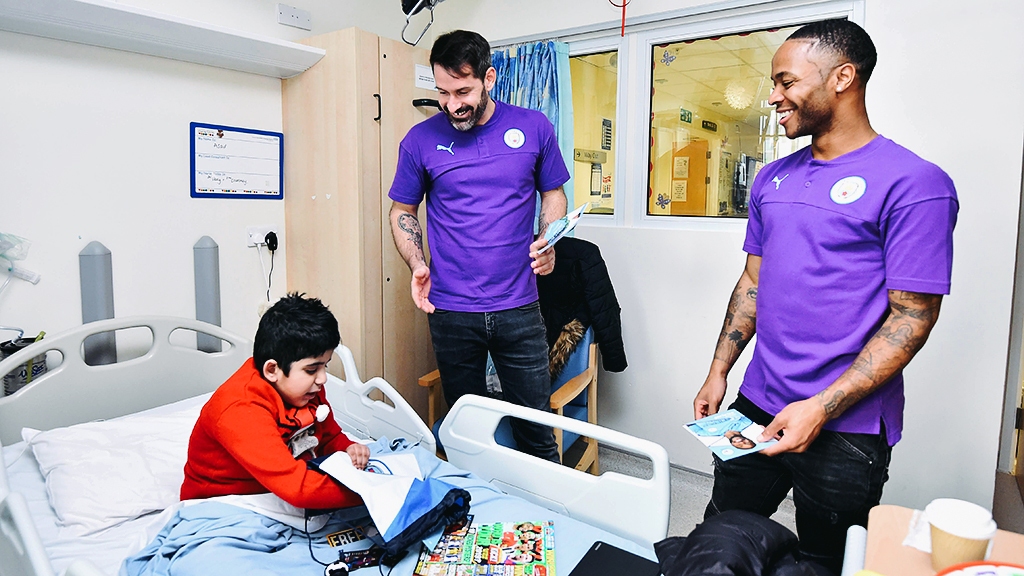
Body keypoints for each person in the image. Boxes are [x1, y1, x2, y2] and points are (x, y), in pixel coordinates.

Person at [692, 20, 958, 574]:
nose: (774, 96)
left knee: (825, 562)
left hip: (847, 426)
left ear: (843, 77)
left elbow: (913, 316)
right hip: (757, 403)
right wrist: (719, 370)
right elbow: (752, 284)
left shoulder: (915, 184)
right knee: (720, 536)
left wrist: (821, 407)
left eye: (786, 81)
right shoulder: (772, 178)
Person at [388, 30, 569, 462]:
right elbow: (401, 211)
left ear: (489, 78)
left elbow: (554, 194)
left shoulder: (533, 127)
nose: (452, 104)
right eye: (443, 92)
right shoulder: (419, 140)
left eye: (463, 90)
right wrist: (416, 261)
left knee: (536, 430)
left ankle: (549, 521)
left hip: (519, 308)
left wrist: (549, 239)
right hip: (450, 312)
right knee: (466, 431)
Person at [181, 293, 370, 510]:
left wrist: (348, 449)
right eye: (311, 369)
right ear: (272, 370)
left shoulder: (307, 389)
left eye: (325, 366)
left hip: (277, 490)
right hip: (223, 502)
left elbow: (328, 436)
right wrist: (370, 492)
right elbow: (299, 490)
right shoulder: (241, 409)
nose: (322, 378)